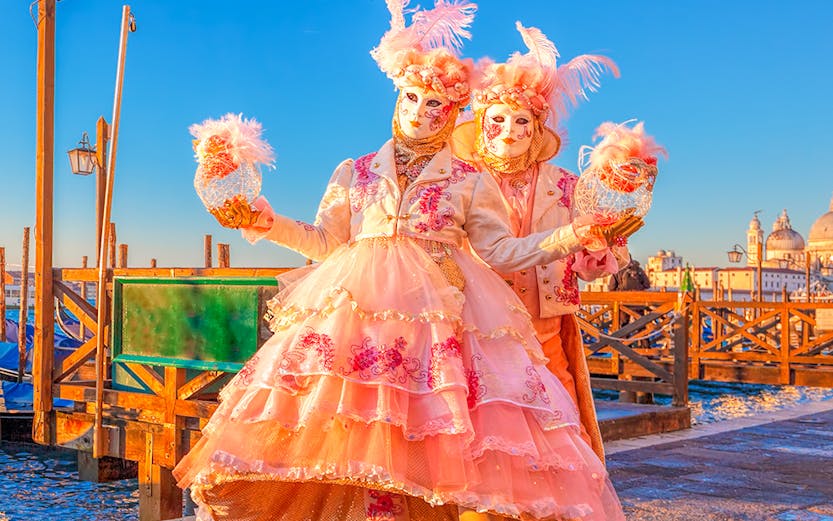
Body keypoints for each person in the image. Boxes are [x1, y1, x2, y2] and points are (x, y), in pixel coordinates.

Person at [173, 3, 626, 520]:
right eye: (412, 98)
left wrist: (571, 235)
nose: (421, 111)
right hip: (358, 316)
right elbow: (326, 242)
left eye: (436, 105)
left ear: (453, 112)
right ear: (397, 98)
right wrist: (266, 221)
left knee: (430, 443)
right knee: (352, 435)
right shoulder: (356, 170)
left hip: (439, 322)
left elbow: (500, 253)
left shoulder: (468, 180)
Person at [451, 22, 642, 462]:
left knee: (561, 421)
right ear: (481, 124)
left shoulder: (566, 185)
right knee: (485, 427)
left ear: (536, 129)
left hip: (545, 322)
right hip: (475, 323)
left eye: (521, 121)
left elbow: (595, 263)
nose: (509, 131)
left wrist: (602, 246)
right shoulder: (460, 181)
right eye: (497, 120)